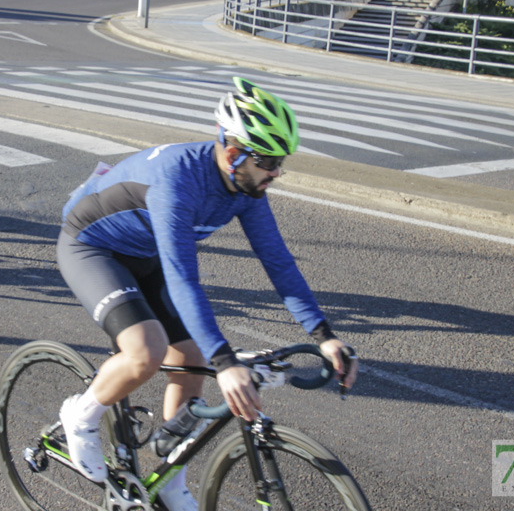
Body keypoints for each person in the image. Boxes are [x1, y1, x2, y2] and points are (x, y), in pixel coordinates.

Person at [55, 77, 358, 510]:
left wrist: (324, 333)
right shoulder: (178, 183)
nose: (276, 172)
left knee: (191, 355)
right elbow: (183, 279)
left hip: (146, 252)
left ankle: (171, 478)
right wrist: (227, 362)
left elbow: (278, 261)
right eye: (269, 160)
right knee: (146, 352)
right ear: (233, 154)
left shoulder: (246, 188)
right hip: (92, 246)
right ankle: (80, 416)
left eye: (281, 161)